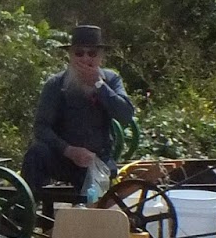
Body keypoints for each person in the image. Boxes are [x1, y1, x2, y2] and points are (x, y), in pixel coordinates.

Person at [22, 25, 135, 196]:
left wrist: (99, 85)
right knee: (35, 154)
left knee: (100, 190)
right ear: (70, 56)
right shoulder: (56, 84)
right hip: (62, 158)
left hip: (97, 160)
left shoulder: (111, 80)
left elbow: (126, 114)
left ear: (100, 57)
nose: (85, 59)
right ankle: (27, 212)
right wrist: (68, 150)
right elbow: (41, 128)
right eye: (79, 53)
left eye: (92, 54)